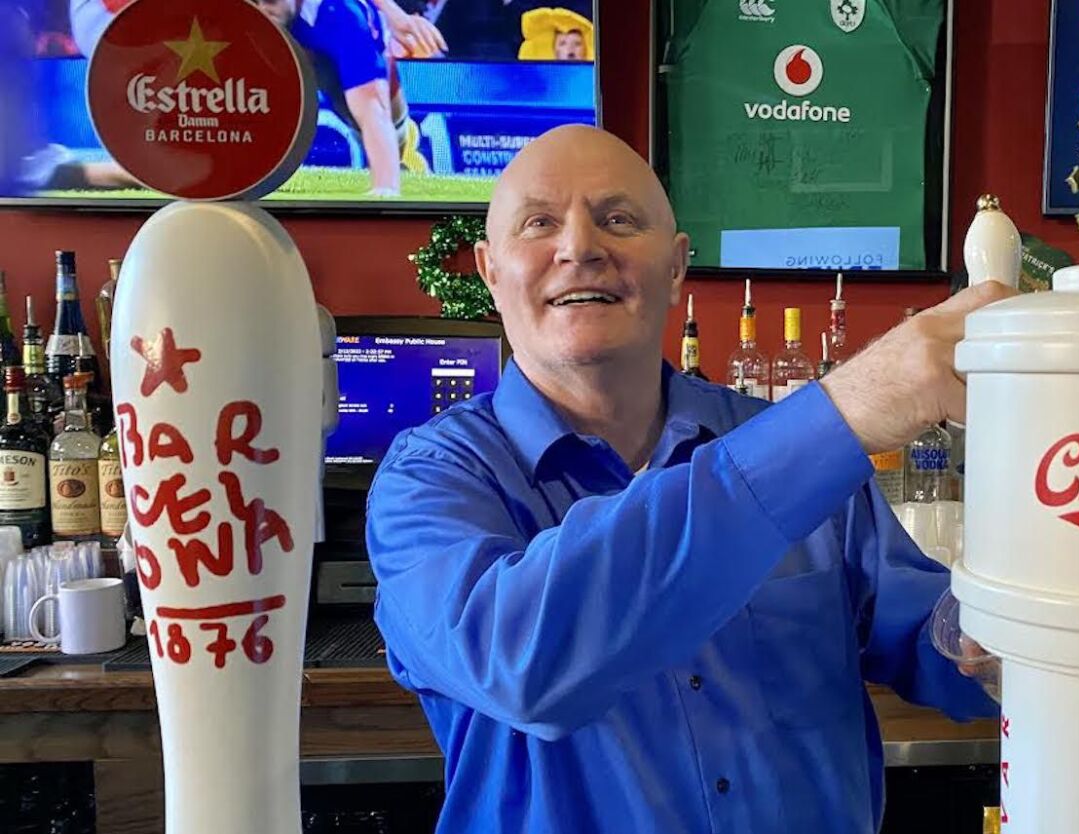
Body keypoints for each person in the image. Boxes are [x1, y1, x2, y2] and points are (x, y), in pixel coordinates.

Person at [366, 125, 1014, 833]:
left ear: (676, 267)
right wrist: (844, 411)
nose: (579, 247)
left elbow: (928, 638)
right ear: (491, 270)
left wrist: (1006, 640)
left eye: (617, 219)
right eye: (539, 223)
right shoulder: (428, 479)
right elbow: (522, 666)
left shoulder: (797, 450)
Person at [252, 0, 444, 196]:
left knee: (373, 110)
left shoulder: (342, 16)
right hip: (300, 41)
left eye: (269, 0)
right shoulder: (252, 16)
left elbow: (372, 109)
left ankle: (401, 147)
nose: (262, 9)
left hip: (346, 33)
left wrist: (385, 190)